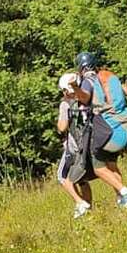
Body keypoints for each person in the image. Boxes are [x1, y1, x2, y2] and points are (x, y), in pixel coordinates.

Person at [68, 52, 127, 209]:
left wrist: (75, 87)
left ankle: (125, 192)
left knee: (99, 166)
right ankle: (123, 200)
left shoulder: (88, 80)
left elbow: (84, 97)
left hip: (116, 132)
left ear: (81, 68)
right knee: (110, 163)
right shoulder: (110, 79)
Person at [56, 72, 95, 219]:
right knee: (81, 179)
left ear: (66, 90)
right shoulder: (85, 100)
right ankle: (89, 208)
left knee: (62, 176)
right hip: (87, 145)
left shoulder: (66, 104)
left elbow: (62, 127)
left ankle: (80, 203)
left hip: (72, 148)